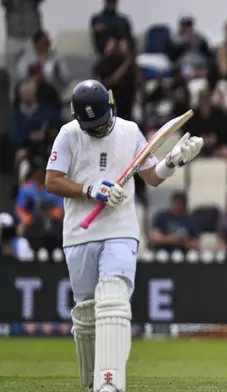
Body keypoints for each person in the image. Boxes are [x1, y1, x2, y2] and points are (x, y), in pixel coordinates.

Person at [44, 80, 203, 392]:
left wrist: (173, 161)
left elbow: (152, 177)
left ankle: (110, 383)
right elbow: (52, 181)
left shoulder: (130, 131)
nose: (99, 130)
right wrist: (90, 190)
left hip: (121, 229)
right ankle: (92, 383)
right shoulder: (68, 134)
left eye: (102, 123)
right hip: (79, 232)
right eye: (92, 126)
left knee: (114, 299)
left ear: (111, 107)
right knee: (87, 313)